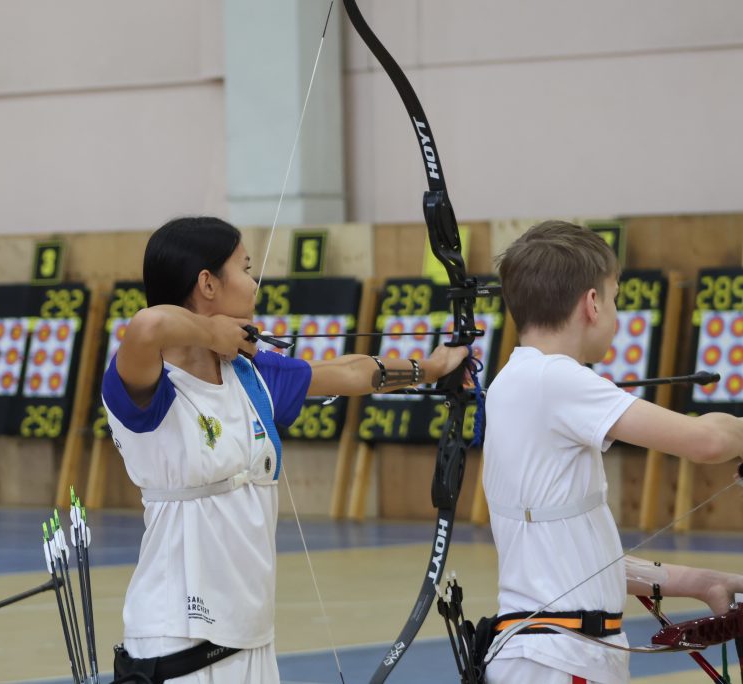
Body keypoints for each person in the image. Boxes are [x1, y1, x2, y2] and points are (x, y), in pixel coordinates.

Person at [102, 216, 469, 682]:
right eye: (245, 268)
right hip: (174, 640)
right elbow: (148, 324)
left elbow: (352, 371)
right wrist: (213, 334)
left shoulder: (250, 376)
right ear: (207, 283)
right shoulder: (150, 386)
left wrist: (431, 369)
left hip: (250, 637)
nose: (254, 283)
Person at [483, 221, 743, 684]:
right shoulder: (553, 379)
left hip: (552, 657)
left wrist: (701, 583)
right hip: (558, 660)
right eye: (615, 297)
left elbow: (581, 563)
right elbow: (707, 442)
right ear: (593, 303)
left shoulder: (517, 381)